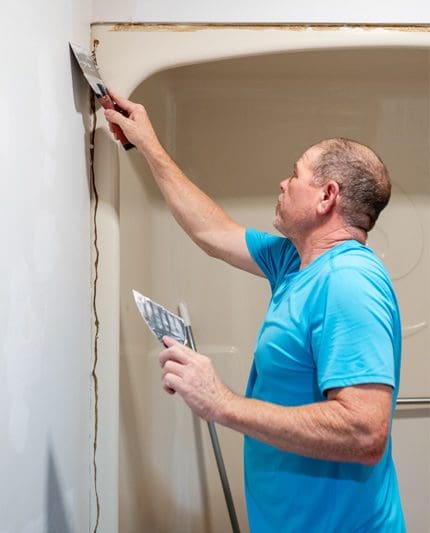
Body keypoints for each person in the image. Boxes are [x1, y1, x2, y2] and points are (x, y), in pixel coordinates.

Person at [104, 89, 406, 532]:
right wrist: (146, 143)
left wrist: (221, 402)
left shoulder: (348, 283)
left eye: (294, 175)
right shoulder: (294, 261)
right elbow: (212, 229)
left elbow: (364, 433)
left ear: (326, 196)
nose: (283, 183)